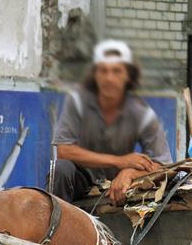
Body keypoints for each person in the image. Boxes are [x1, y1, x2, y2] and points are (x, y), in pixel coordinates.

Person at [50, 39, 172, 204]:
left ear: (128, 76)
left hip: (119, 187)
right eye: (103, 71)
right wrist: (119, 161)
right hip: (82, 180)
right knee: (61, 169)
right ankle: (56, 224)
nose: (109, 78)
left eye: (116, 71)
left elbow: (162, 165)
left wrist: (129, 173)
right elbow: (64, 150)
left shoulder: (142, 114)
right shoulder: (78, 102)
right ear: (95, 75)